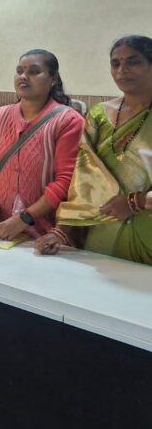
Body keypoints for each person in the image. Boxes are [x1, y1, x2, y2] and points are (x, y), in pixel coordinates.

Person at [37, 36, 152, 263]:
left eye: (133, 62)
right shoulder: (99, 114)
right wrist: (62, 231)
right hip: (102, 227)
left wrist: (135, 202)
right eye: (115, 63)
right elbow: (83, 179)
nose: (122, 70)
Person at [0, 50, 84, 240]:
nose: (23, 76)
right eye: (19, 71)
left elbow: (67, 180)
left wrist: (25, 218)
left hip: (46, 235)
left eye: (34, 71)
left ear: (53, 78)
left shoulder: (68, 120)